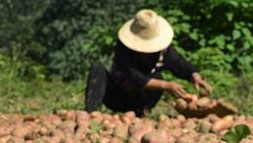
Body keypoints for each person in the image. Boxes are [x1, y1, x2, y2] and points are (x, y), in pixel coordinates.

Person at [84, 9, 213, 116]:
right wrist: (166, 85)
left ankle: (141, 114)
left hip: (139, 100)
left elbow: (181, 65)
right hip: (115, 95)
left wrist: (195, 77)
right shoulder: (124, 48)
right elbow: (133, 77)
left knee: (157, 77)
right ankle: (91, 113)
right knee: (98, 69)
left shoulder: (164, 51)